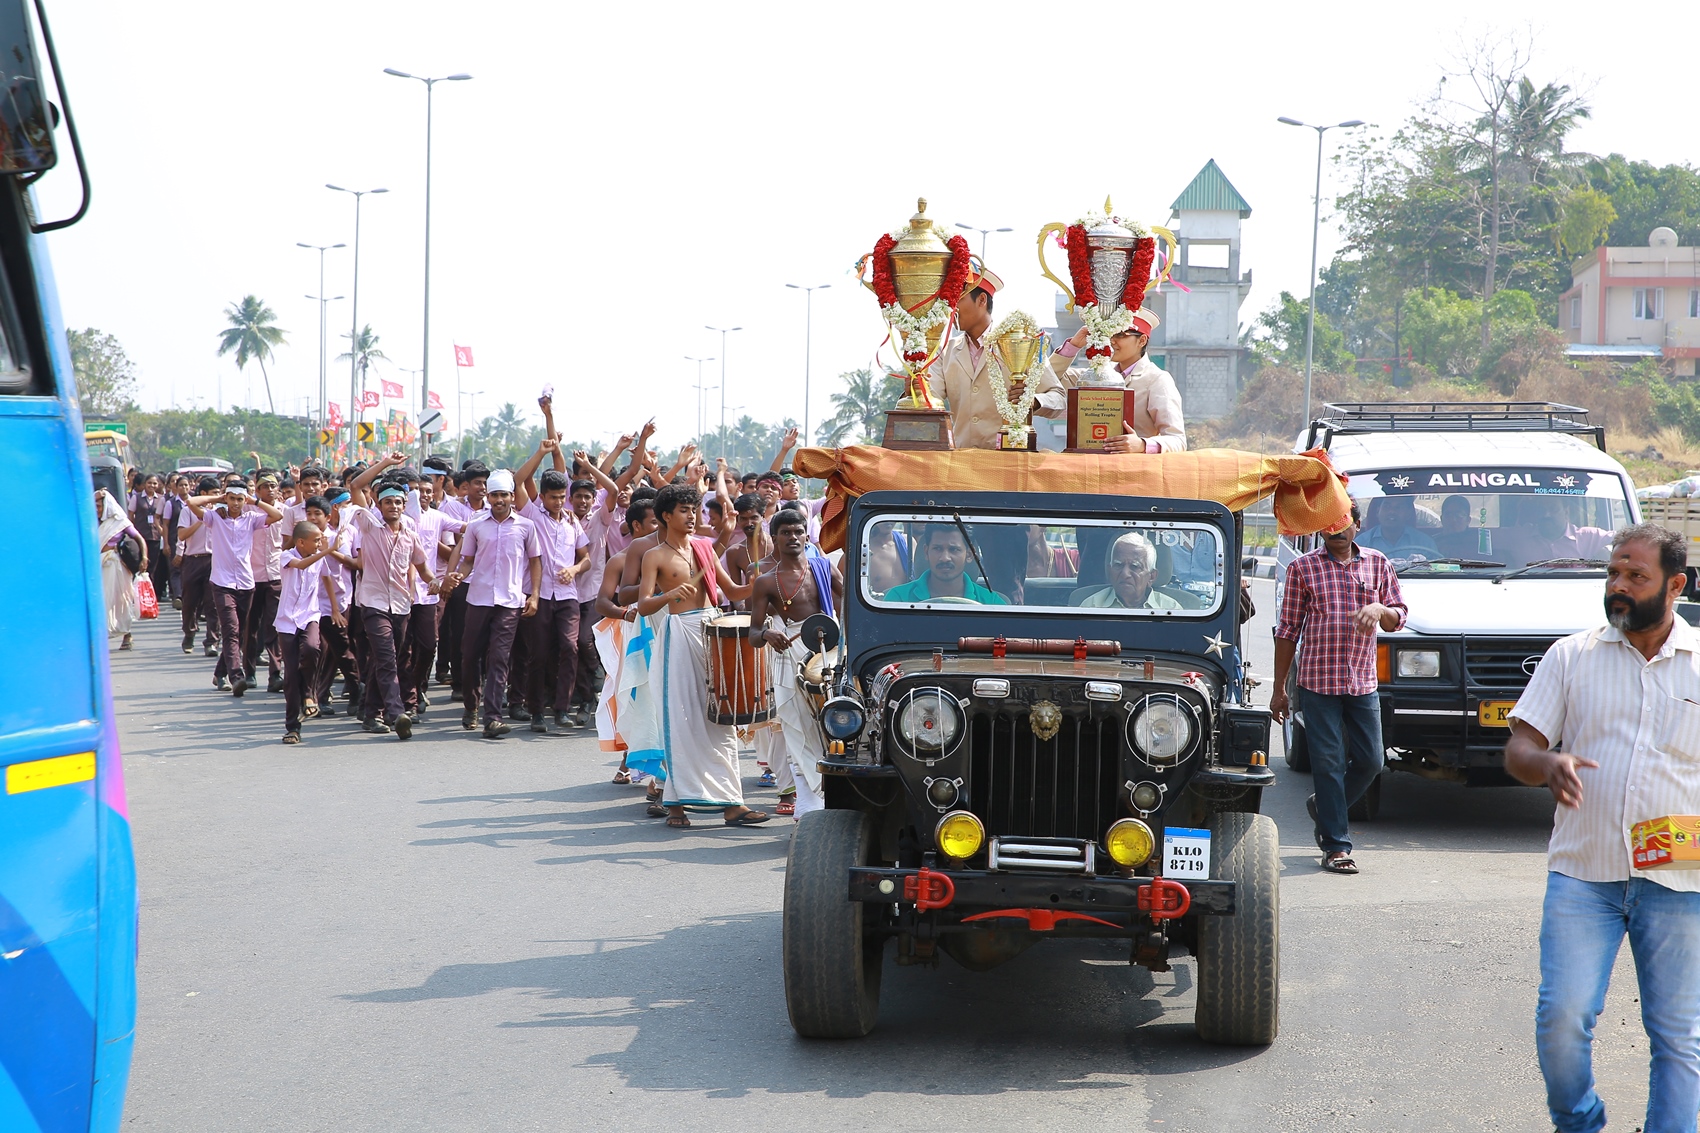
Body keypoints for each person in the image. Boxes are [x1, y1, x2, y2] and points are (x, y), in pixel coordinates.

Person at [1504, 524, 1700, 1133]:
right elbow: (1519, 747)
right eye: (1613, 573)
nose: (1618, 587)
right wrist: (1545, 764)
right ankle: (1580, 1121)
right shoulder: (1572, 656)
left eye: (1635, 576)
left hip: (1679, 880)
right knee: (1561, 1019)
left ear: (1675, 586)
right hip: (1583, 876)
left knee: (1678, 1037)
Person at [1269, 501, 1407, 874]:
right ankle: (1336, 846)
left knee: (1372, 760)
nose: (1337, 530)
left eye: (1344, 523)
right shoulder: (1303, 568)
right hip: (1317, 683)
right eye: (1329, 524)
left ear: (1357, 526)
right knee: (1328, 764)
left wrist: (1379, 609)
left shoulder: (1378, 563)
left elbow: (1398, 617)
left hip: (1362, 683)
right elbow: (1287, 632)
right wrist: (1279, 688)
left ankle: (1325, 805)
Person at [634, 483, 760, 828]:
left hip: (712, 633)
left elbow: (732, 591)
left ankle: (733, 804)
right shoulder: (654, 556)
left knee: (720, 719)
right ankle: (675, 805)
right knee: (681, 720)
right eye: (685, 511)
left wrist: (760, 582)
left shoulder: (705, 547)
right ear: (666, 516)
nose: (693, 517)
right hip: (678, 635)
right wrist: (670, 593)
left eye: (695, 511)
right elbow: (644, 605)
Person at [750, 509, 843, 817]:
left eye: (798, 531)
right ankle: (807, 802)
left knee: (836, 723)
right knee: (797, 728)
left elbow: (851, 601)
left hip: (830, 652)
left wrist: (845, 634)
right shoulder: (765, 581)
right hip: (790, 653)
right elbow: (752, 634)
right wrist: (767, 632)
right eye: (786, 532)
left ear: (807, 535)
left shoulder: (824, 568)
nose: (793, 537)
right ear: (774, 538)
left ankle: (837, 796)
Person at [443, 469, 541, 739]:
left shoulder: (526, 526)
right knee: (470, 655)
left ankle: (493, 717)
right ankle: (471, 706)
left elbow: (535, 561)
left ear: (512, 497)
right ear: (488, 496)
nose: (499, 500)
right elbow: (467, 560)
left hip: (510, 601)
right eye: (494, 495)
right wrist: (456, 576)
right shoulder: (476, 524)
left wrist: (534, 594)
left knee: (499, 658)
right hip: (479, 598)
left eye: (504, 495)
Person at [345, 454, 438, 739]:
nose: (393, 507)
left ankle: (371, 713)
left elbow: (422, 567)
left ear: (404, 504)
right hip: (372, 603)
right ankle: (397, 713)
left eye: (398, 502)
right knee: (385, 657)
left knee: (387, 659)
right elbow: (357, 487)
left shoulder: (410, 532)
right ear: (379, 504)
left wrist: (435, 583)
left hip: (401, 605)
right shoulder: (370, 524)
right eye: (388, 502)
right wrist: (386, 463)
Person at [933, 271, 1066, 450]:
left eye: (957, 299)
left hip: (1008, 461)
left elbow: (1058, 398)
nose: (951, 308)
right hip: (960, 462)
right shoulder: (945, 351)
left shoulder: (1021, 343)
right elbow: (930, 397)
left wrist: (1032, 400)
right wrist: (915, 390)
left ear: (981, 300)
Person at [515, 437, 590, 732]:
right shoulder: (532, 515)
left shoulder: (572, 522)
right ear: (543, 497)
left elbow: (587, 558)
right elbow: (520, 480)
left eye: (562, 497)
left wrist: (574, 569)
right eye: (553, 497)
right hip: (539, 594)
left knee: (570, 649)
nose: (559, 502)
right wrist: (542, 451)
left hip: (568, 595)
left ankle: (562, 708)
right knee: (539, 653)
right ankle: (536, 711)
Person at [186, 479, 282, 696]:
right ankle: (236, 676)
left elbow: (277, 516)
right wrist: (216, 499)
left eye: (240, 499)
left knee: (238, 632)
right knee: (230, 630)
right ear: (226, 498)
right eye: (232, 499)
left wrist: (254, 501)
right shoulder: (215, 518)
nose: (236, 503)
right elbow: (191, 502)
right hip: (222, 582)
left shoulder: (251, 519)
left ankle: (220, 673)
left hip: (246, 583)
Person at [1052, 309, 1186, 453]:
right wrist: (1073, 345)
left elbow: (1177, 440)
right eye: (1109, 334)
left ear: (1142, 340)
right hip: (1091, 466)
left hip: (1133, 470)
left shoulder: (1156, 379)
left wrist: (1142, 445)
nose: (1112, 341)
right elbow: (1047, 377)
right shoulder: (1096, 374)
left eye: (1120, 335)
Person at [274, 521, 339, 744]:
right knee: (291, 675)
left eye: (321, 540)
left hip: (309, 615)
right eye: (316, 540)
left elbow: (327, 578)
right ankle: (292, 727)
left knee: (312, 648)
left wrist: (335, 608)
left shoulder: (319, 557)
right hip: (287, 621)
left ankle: (310, 693)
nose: (320, 544)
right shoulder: (286, 556)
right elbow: (301, 565)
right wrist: (328, 550)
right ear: (301, 542)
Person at [883, 524, 1008, 605]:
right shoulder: (899, 598)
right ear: (926, 552)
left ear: (969, 555)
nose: (944, 558)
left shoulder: (992, 602)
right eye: (937, 549)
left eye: (954, 549)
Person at [1074, 533, 1181, 609]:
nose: (1125, 574)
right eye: (1118, 565)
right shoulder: (1092, 606)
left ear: (1152, 576)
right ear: (1109, 570)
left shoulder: (1170, 610)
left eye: (1135, 567)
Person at [176, 475, 221, 656]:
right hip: (193, 560)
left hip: (214, 560)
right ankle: (189, 633)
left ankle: (212, 641)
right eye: (214, 494)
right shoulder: (188, 510)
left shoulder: (221, 511)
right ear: (203, 494)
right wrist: (201, 520)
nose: (218, 497)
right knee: (190, 603)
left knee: (213, 604)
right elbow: (182, 535)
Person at [96, 488, 144, 650]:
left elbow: (139, 538)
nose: (97, 509)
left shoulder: (120, 521)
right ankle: (103, 634)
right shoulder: (93, 523)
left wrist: (144, 557)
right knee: (103, 600)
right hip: (100, 566)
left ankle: (127, 634)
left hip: (118, 567)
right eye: (94, 506)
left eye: (99, 506)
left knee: (121, 599)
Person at [1505, 496, 1613, 568]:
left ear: (1566, 512)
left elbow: (1627, 537)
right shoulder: (1518, 536)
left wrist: (1609, 550)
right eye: (1542, 510)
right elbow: (1488, 536)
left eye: (1553, 509)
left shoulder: (1590, 537)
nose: (1547, 515)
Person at [1358, 494, 1438, 564]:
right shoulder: (1361, 543)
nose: (1392, 511)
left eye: (1398, 507)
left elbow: (1437, 571)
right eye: (1387, 506)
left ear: (1408, 514)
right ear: (1378, 511)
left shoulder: (1425, 543)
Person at [1430, 494, 1484, 560]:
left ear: (1468, 520)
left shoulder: (1479, 543)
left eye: (1459, 515)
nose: (1453, 520)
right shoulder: (1432, 543)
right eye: (1448, 515)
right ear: (1441, 518)